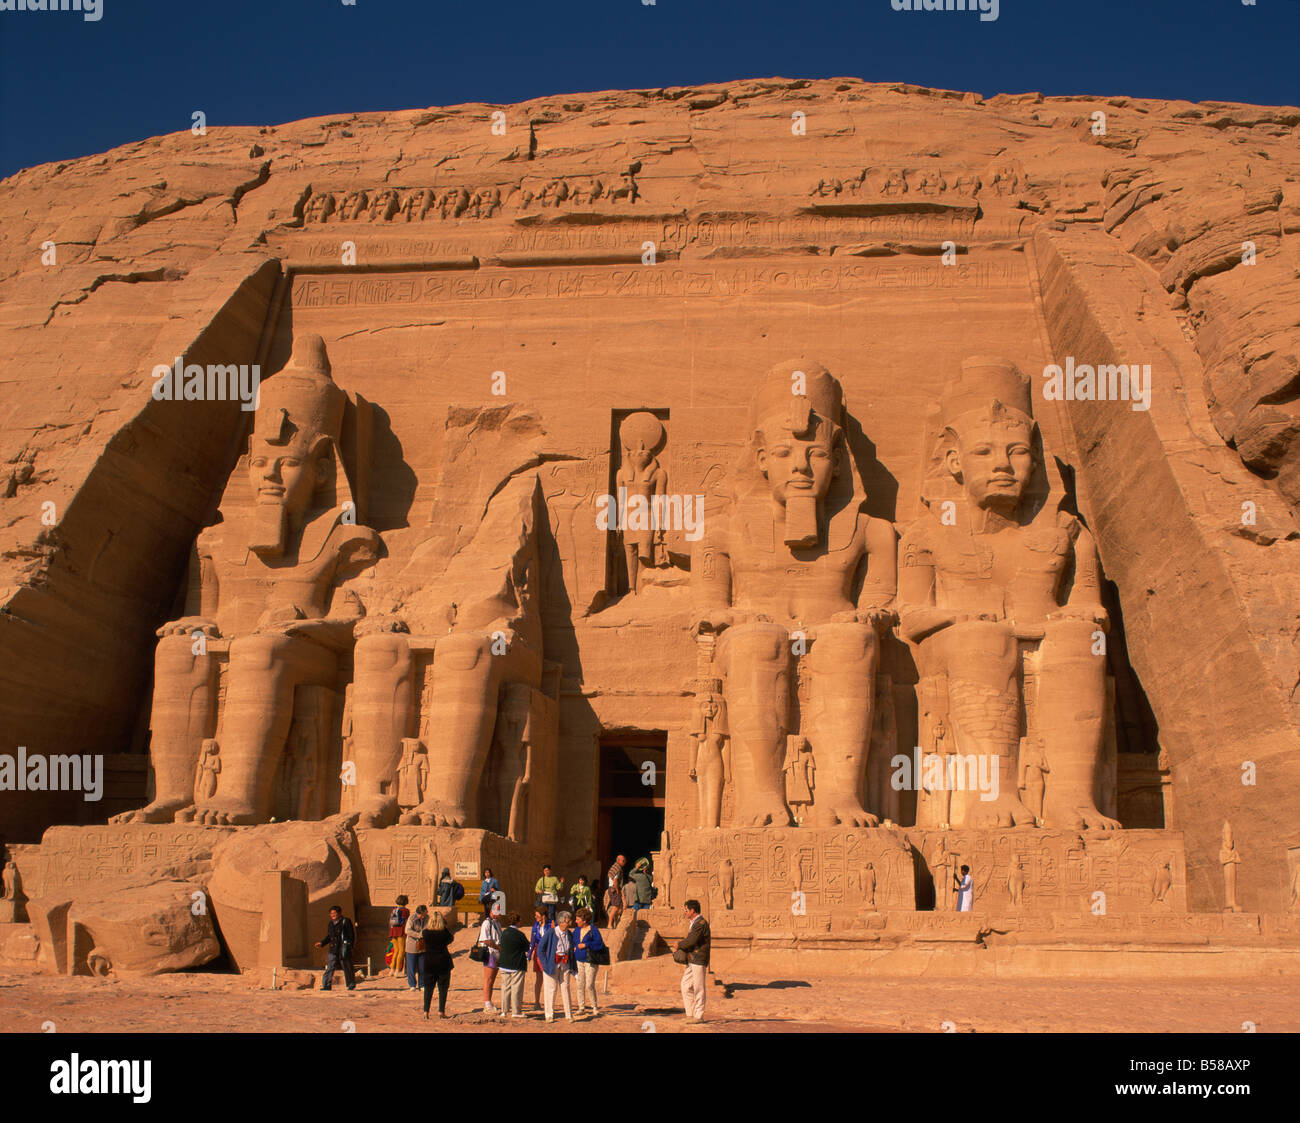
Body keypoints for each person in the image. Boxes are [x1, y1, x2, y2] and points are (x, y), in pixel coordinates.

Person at [537, 910, 577, 1022]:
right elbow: (540, 949)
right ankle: (549, 1015)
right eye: (568, 921)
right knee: (551, 989)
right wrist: (545, 964)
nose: (570, 923)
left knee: (566, 988)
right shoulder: (551, 932)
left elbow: (571, 950)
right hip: (552, 964)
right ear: (561, 922)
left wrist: (572, 966)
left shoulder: (569, 934)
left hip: (565, 964)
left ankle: (569, 1014)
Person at [675, 899, 710, 1023]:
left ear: (692, 910)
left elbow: (692, 940)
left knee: (699, 987)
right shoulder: (694, 923)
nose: (685, 913)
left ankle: (699, 1015)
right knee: (685, 985)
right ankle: (690, 1013)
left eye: (686, 910)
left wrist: (679, 944)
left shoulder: (700, 923)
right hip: (692, 959)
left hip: (699, 959)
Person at [572, 907, 606, 1018]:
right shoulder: (576, 931)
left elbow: (599, 944)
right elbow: (572, 942)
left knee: (589, 984)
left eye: (578, 919)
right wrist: (573, 948)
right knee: (580, 984)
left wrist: (587, 945)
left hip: (590, 961)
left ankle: (594, 1007)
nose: (576, 921)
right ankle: (581, 1007)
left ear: (584, 920)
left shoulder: (593, 930)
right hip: (579, 960)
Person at [421, 908, 454, 1019]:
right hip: (443, 962)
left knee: (428, 988)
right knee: (443, 988)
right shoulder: (444, 933)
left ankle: (426, 1011)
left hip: (429, 963)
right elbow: (451, 938)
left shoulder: (425, 933)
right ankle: (441, 1011)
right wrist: (444, 926)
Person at [316, 905, 356, 992]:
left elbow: (351, 935)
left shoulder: (346, 921)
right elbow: (329, 936)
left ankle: (351, 984)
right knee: (330, 966)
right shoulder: (331, 923)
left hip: (343, 948)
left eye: (334, 913)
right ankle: (327, 985)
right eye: (331, 913)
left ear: (339, 913)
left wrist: (350, 946)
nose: (332, 915)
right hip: (333, 948)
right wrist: (322, 943)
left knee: (347, 966)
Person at [498, 913, 530, 1019]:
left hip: (504, 964)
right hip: (517, 964)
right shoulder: (520, 934)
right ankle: (516, 1011)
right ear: (517, 921)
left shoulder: (504, 933)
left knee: (505, 988)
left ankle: (504, 1011)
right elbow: (527, 947)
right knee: (516, 988)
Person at [527, 906, 552, 1010]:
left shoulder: (551, 924)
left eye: (537, 916)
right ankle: (537, 1002)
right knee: (539, 978)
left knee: (548, 978)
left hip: (548, 951)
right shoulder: (535, 925)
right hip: (538, 951)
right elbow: (533, 940)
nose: (535, 917)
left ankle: (548, 1003)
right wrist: (529, 953)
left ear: (543, 916)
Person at [478, 907, 502, 1012]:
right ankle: (487, 1003)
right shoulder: (486, 923)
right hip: (490, 953)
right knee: (488, 979)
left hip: (497, 952)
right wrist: (497, 947)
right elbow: (485, 939)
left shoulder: (497, 923)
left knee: (492, 980)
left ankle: (489, 1002)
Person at [404, 904, 429, 991]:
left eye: (425, 914)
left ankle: (422, 985)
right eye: (422, 915)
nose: (423, 916)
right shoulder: (412, 918)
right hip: (411, 945)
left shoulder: (427, 918)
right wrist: (418, 935)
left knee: (422, 967)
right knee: (411, 967)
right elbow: (407, 930)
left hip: (422, 945)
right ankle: (412, 985)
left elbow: (428, 928)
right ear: (418, 913)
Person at [387, 894, 410, 977]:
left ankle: (392, 970)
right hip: (400, 931)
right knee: (401, 951)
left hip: (393, 932)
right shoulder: (405, 910)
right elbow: (405, 922)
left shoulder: (394, 910)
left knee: (395, 951)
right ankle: (397, 971)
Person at [604, 854, 627, 927]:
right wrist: (617, 889)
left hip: (612, 888)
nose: (624, 862)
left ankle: (615, 924)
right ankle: (609, 924)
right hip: (614, 888)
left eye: (624, 861)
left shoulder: (615, 867)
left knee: (618, 907)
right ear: (618, 860)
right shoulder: (617, 868)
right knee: (615, 907)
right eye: (623, 861)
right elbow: (615, 880)